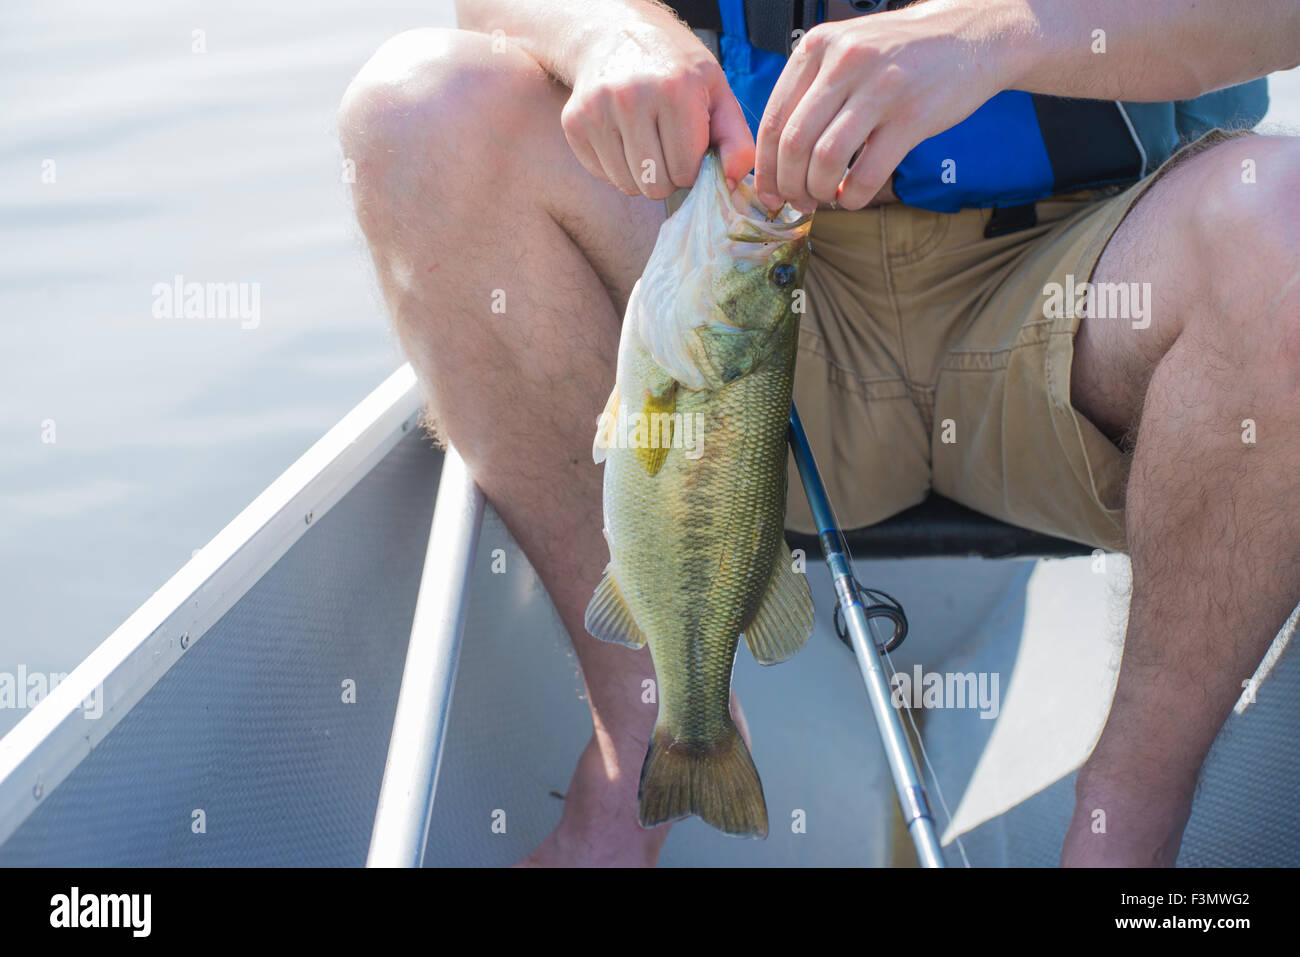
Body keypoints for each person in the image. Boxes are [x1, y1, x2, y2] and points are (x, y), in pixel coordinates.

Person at [338, 0, 1300, 866]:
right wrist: (607, 31)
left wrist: (1001, 35)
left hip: (1089, 296)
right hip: (757, 307)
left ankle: (1129, 830)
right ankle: (642, 744)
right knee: (418, 109)